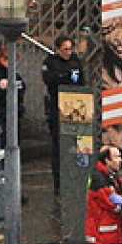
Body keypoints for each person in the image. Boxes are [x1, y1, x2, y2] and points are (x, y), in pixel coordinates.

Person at [41, 35, 85, 192]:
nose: (68, 52)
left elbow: (81, 82)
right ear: (58, 49)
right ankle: (59, 183)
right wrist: (65, 76)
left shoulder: (75, 61)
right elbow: (50, 80)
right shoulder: (50, 62)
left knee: (76, 145)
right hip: (57, 106)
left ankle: (76, 179)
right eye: (65, 49)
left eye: (70, 49)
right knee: (59, 146)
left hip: (75, 107)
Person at [0, 44, 26, 147]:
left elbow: (22, 87)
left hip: (14, 111)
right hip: (3, 113)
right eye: (6, 58)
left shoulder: (14, 74)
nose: (9, 62)